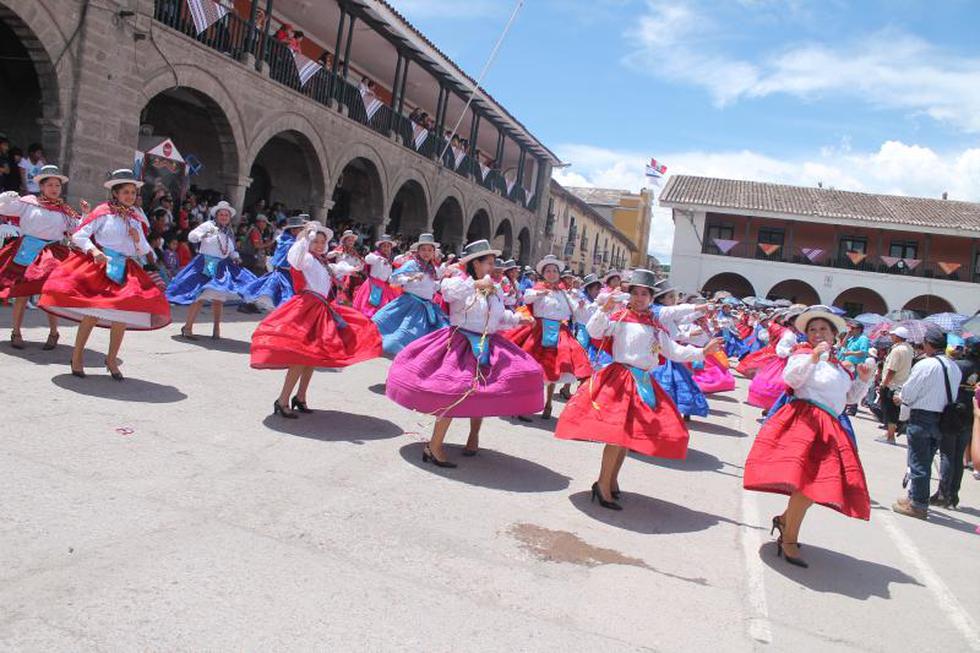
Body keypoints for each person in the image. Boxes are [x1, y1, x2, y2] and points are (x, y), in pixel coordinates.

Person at [554, 269, 722, 510]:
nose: (640, 298)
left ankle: (611, 481)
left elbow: (672, 351)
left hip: (643, 382)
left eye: (645, 294)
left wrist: (702, 352)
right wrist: (604, 308)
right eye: (636, 293)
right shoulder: (620, 317)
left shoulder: (654, 325)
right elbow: (594, 331)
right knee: (615, 436)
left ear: (651, 298)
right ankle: (602, 485)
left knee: (626, 438)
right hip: (620, 379)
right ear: (629, 295)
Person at [385, 240, 543, 467]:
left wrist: (519, 319)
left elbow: (498, 317)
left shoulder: (494, 288)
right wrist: (475, 284)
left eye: (492, 263)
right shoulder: (457, 281)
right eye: (488, 263)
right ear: (475, 264)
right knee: (453, 391)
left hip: (487, 342)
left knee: (484, 391)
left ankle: (473, 436)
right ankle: (435, 445)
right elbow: (448, 294)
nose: (493, 267)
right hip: (460, 342)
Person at [743, 307, 874, 568]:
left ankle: (784, 521)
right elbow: (791, 378)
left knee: (816, 485)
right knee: (808, 485)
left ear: (835, 334)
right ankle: (789, 538)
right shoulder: (802, 354)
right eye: (813, 329)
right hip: (805, 422)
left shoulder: (839, 366)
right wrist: (812, 357)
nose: (817, 334)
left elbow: (848, 398)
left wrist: (864, 380)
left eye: (823, 329)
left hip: (830, 427)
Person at [39, 168, 172, 379]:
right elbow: (79, 236)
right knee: (92, 315)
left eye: (133, 192)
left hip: (126, 269)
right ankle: (77, 357)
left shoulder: (136, 218)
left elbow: (144, 250)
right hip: (101, 266)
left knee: (121, 316)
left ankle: (111, 360)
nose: (130, 196)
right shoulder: (102, 212)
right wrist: (94, 251)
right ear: (115, 193)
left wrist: (137, 239)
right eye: (125, 192)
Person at [250, 222, 381, 418]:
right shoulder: (306, 258)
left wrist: (349, 269)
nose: (320, 245)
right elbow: (295, 259)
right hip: (306, 308)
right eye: (316, 241)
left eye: (322, 241)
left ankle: (300, 397)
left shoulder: (321, 261)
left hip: (321, 307)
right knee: (300, 357)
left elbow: (336, 269)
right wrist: (304, 237)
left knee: (313, 357)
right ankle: (283, 399)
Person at [0, 165, 85, 349]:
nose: (54, 189)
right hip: (27, 250)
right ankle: (16, 332)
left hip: (52, 254)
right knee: (22, 293)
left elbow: (78, 229)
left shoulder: (65, 211)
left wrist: (85, 214)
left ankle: (54, 333)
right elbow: (5, 208)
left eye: (57, 185)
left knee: (49, 293)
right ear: (42, 187)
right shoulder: (29, 202)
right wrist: (7, 197)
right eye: (50, 185)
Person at [504, 255, 592, 420]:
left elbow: (575, 312)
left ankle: (548, 404)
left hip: (558, 330)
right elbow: (527, 297)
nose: (552, 274)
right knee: (531, 369)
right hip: (538, 330)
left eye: (554, 271)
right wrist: (540, 293)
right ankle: (521, 405)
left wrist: (579, 306)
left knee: (555, 367)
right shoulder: (536, 288)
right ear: (543, 273)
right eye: (548, 271)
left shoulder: (563, 293)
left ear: (559, 274)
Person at [892, 326, 963, 519]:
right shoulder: (953, 366)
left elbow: (909, 392)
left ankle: (918, 504)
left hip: (923, 416)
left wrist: (902, 398)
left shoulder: (926, 365)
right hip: (942, 419)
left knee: (918, 462)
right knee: (927, 457)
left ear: (928, 344)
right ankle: (915, 496)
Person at [167, 200, 258, 339]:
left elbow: (231, 249)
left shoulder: (229, 231)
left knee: (218, 298)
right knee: (200, 296)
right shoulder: (208, 226)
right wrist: (201, 235)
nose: (224, 217)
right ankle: (188, 327)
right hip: (208, 263)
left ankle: (216, 330)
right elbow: (192, 236)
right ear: (216, 215)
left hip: (222, 265)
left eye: (226, 215)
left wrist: (235, 256)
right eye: (221, 214)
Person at [371, 233, 449, 355]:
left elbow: (431, 287)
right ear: (418, 251)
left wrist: (442, 286)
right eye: (423, 249)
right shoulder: (412, 264)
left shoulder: (432, 269)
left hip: (426, 306)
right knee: (396, 332)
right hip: (409, 303)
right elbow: (393, 279)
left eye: (429, 250)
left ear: (434, 252)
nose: (426, 253)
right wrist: (410, 278)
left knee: (434, 332)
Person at [932, 336, 979, 508]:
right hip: (971, 414)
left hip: (954, 412)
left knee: (947, 454)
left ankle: (943, 493)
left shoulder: (958, 366)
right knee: (959, 456)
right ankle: (953, 494)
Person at [242, 215, 306, 311]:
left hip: (285, 274)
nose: (303, 232)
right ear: (293, 231)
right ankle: (248, 306)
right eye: (301, 229)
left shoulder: (287, 240)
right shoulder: (290, 243)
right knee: (285, 301)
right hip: (283, 275)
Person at [878, 326, 914, 444]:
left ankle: (890, 436)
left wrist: (884, 383)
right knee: (893, 410)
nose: (891, 337)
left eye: (893, 335)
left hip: (892, 384)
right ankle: (889, 433)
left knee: (889, 410)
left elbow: (892, 369)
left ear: (898, 337)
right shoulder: (909, 349)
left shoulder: (897, 350)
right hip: (901, 383)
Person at [352, 233, 399, 317]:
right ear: (380, 247)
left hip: (384, 287)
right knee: (369, 308)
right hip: (372, 286)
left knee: (381, 310)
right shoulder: (375, 256)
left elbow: (388, 276)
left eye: (388, 247)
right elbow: (368, 259)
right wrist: (378, 258)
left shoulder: (388, 261)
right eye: (384, 246)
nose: (386, 248)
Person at [841, 320, 871, 415]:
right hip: (846, 364)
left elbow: (863, 352)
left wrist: (849, 353)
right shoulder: (852, 338)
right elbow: (843, 345)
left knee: (852, 386)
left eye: (853, 328)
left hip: (855, 366)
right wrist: (847, 336)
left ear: (859, 329)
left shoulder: (863, 339)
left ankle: (852, 407)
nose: (851, 330)